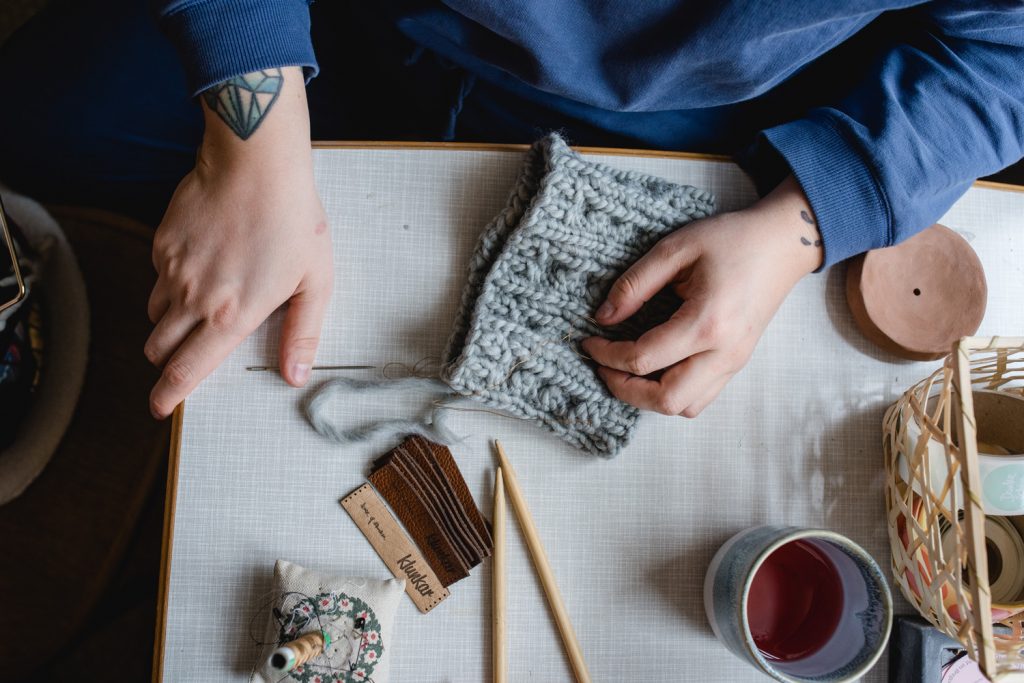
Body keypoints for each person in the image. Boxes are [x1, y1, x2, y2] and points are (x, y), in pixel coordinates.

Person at [1, 1, 1022, 421]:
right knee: (36, 117)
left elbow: (1006, 47)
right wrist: (251, 123)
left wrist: (799, 224)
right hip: (343, 24)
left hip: (678, 131)